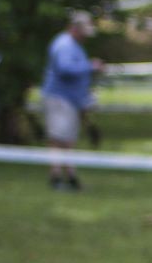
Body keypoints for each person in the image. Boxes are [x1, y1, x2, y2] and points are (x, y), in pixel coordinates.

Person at [42, 10, 105, 190]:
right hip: (60, 99)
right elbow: (65, 69)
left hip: (70, 100)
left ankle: (69, 178)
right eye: (83, 32)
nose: (85, 37)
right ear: (74, 29)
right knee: (59, 139)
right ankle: (57, 179)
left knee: (67, 140)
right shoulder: (64, 45)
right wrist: (90, 66)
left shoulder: (74, 45)